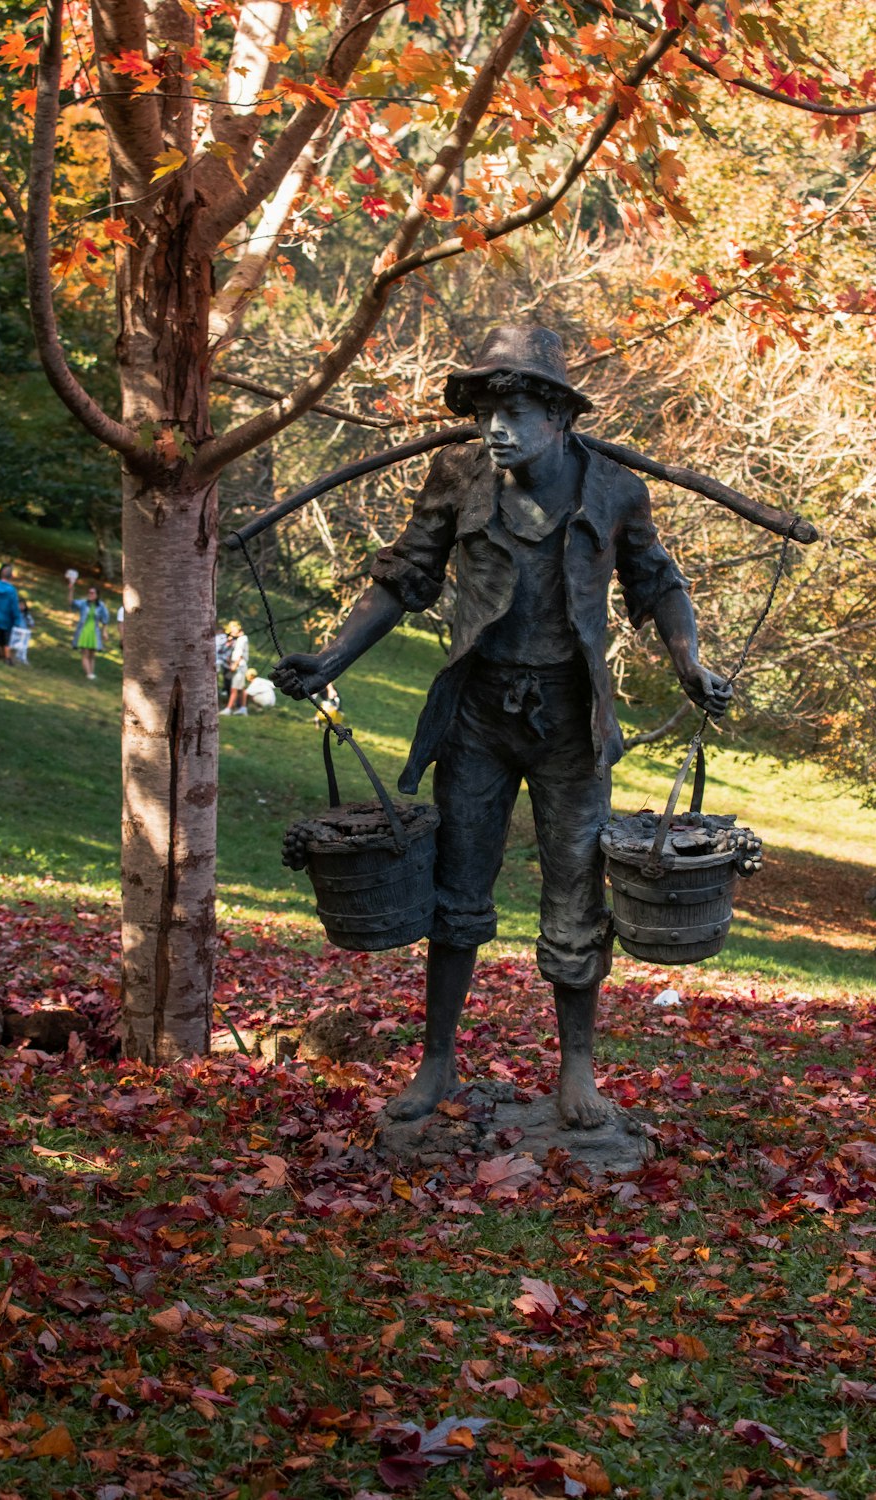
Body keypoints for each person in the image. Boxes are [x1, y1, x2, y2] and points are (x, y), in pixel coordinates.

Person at [273, 326, 731, 1130]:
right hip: (478, 713)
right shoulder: (457, 476)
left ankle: (577, 1067)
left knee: (575, 892)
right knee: (457, 884)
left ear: (559, 417)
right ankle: (438, 1060)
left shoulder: (616, 492)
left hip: (570, 723)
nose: (497, 427)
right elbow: (405, 575)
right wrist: (333, 658)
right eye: (486, 409)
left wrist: (691, 664)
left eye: (515, 409)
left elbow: (660, 586)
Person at [68, 578, 110, 680]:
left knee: (92, 654)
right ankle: (89, 674)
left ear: (97, 595)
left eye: (92, 593)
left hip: (94, 631)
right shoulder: (83, 603)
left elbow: (105, 619)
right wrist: (71, 589)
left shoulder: (101, 606)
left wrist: (104, 631)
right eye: (89, 592)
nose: (90, 594)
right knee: (85, 653)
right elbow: (71, 603)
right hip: (84, 631)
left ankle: (91, 673)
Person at [220, 620, 249, 715]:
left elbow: (240, 654)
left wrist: (234, 665)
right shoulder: (239, 639)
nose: (231, 630)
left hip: (239, 666)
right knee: (241, 688)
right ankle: (243, 708)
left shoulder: (242, 639)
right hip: (238, 665)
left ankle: (228, 709)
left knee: (234, 688)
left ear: (238, 628)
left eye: (233, 628)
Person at [9, 596, 35, 665]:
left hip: (24, 632)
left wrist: (30, 623)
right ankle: (10, 656)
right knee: (12, 644)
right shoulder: (14, 613)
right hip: (14, 630)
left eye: (22, 605)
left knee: (23, 646)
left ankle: (21, 658)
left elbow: (31, 623)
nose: (21, 607)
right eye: (19, 605)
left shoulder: (26, 615)